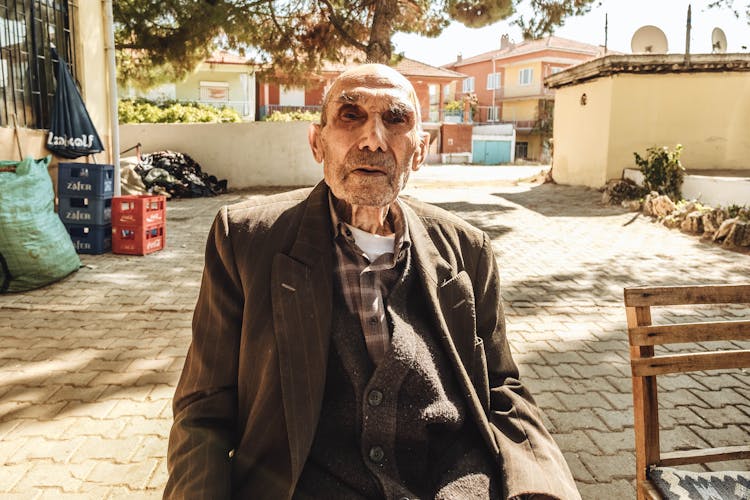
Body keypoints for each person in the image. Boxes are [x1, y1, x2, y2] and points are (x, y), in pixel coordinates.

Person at [165, 63, 580, 500]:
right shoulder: (246, 239)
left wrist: (542, 489)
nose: (372, 138)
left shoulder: (468, 249)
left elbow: (502, 390)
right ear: (316, 142)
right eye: (350, 115)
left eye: (395, 119)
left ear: (419, 150)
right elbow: (204, 408)